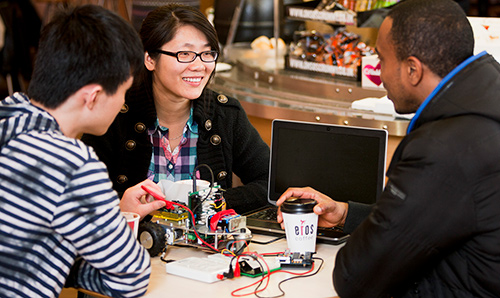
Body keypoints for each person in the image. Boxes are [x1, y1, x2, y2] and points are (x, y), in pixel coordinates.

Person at [277, 0, 500, 297]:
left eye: (381, 60)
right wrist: (346, 213)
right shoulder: (487, 101)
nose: (379, 74)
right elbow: (435, 218)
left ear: (412, 70)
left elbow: (355, 275)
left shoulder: (442, 148)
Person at [0, 5, 166, 298]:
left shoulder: (6, 117)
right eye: (123, 91)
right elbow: (132, 277)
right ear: (94, 96)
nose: (123, 103)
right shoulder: (72, 163)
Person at [81, 4, 270, 214]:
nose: (199, 65)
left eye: (207, 53)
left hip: (206, 247)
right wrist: (120, 209)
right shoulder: (115, 115)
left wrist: (215, 204)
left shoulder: (225, 114)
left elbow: (270, 181)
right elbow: (80, 200)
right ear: (150, 59)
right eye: (185, 53)